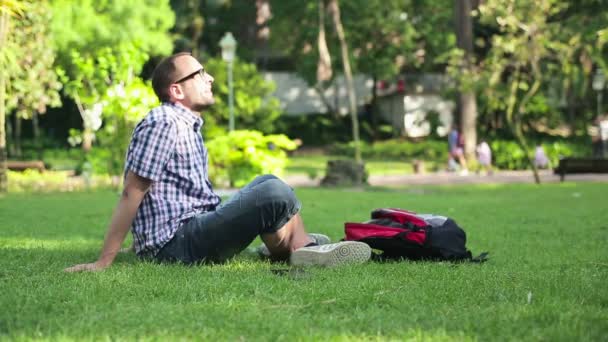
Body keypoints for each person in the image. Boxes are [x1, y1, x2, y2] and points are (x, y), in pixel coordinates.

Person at [65, 52, 371, 272]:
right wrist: (104, 260)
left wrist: (141, 240)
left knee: (266, 182)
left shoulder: (185, 124)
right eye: (199, 74)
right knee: (273, 192)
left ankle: (293, 247)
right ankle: (301, 249)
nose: (209, 77)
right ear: (177, 90)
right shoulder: (165, 121)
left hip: (189, 230)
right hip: (177, 245)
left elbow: (165, 195)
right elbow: (133, 191)